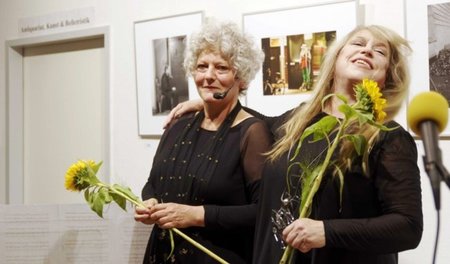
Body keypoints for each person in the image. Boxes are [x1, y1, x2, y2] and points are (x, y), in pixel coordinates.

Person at [165, 25, 423, 264]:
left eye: (379, 51)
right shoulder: (299, 119)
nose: (367, 50)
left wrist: (326, 231)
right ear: (335, 59)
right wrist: (209, 103)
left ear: (388, 76)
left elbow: (408, 227)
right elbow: (255, 120)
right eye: (357, 43)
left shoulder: (387, 137)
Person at [134, 18, 272, 264]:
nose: (208, 76)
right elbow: (152, 183)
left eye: (221, 68)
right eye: (201, 66)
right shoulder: (177, 124)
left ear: (241, 78)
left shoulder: (252, 132)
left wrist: (196, 215)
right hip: (161, 254)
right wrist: (149, 203)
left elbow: (263, 212)